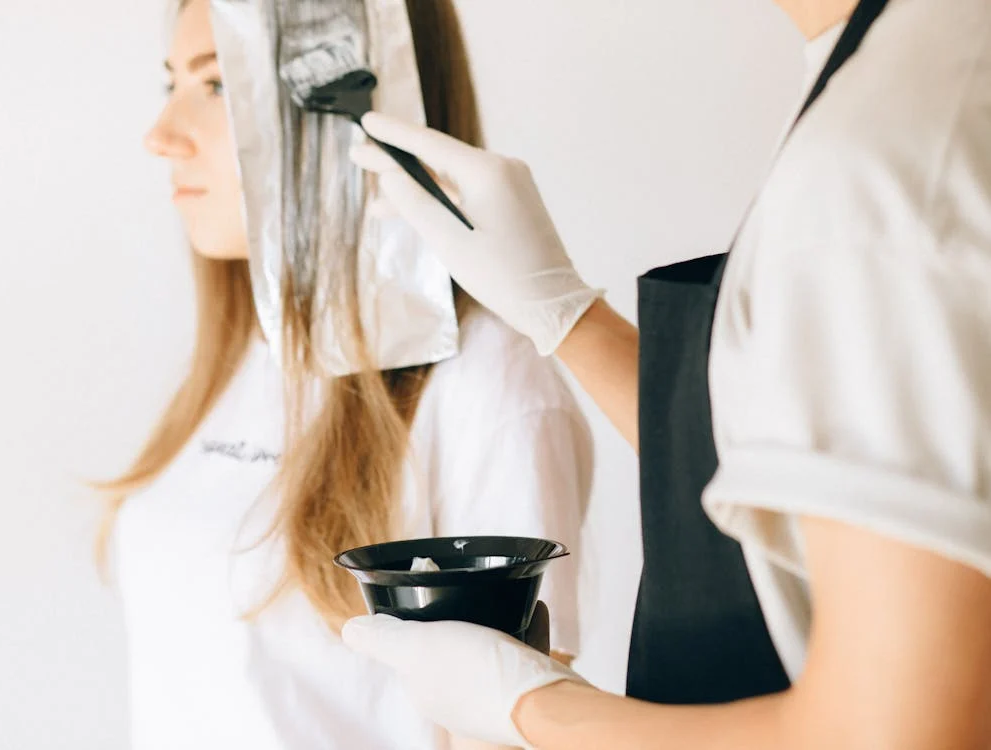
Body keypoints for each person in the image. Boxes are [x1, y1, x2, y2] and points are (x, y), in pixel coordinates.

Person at [341, 0, 991, 747]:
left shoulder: (889, 154)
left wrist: (530, 709)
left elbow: (886, 735)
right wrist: (566, 316)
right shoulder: (901, 68)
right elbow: (826, 470)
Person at [97, 1, 593, 749]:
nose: (160, 136)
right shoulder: (242, 360)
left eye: (221, 85)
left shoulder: (487, 385)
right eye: (171, 82)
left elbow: (516, 729)